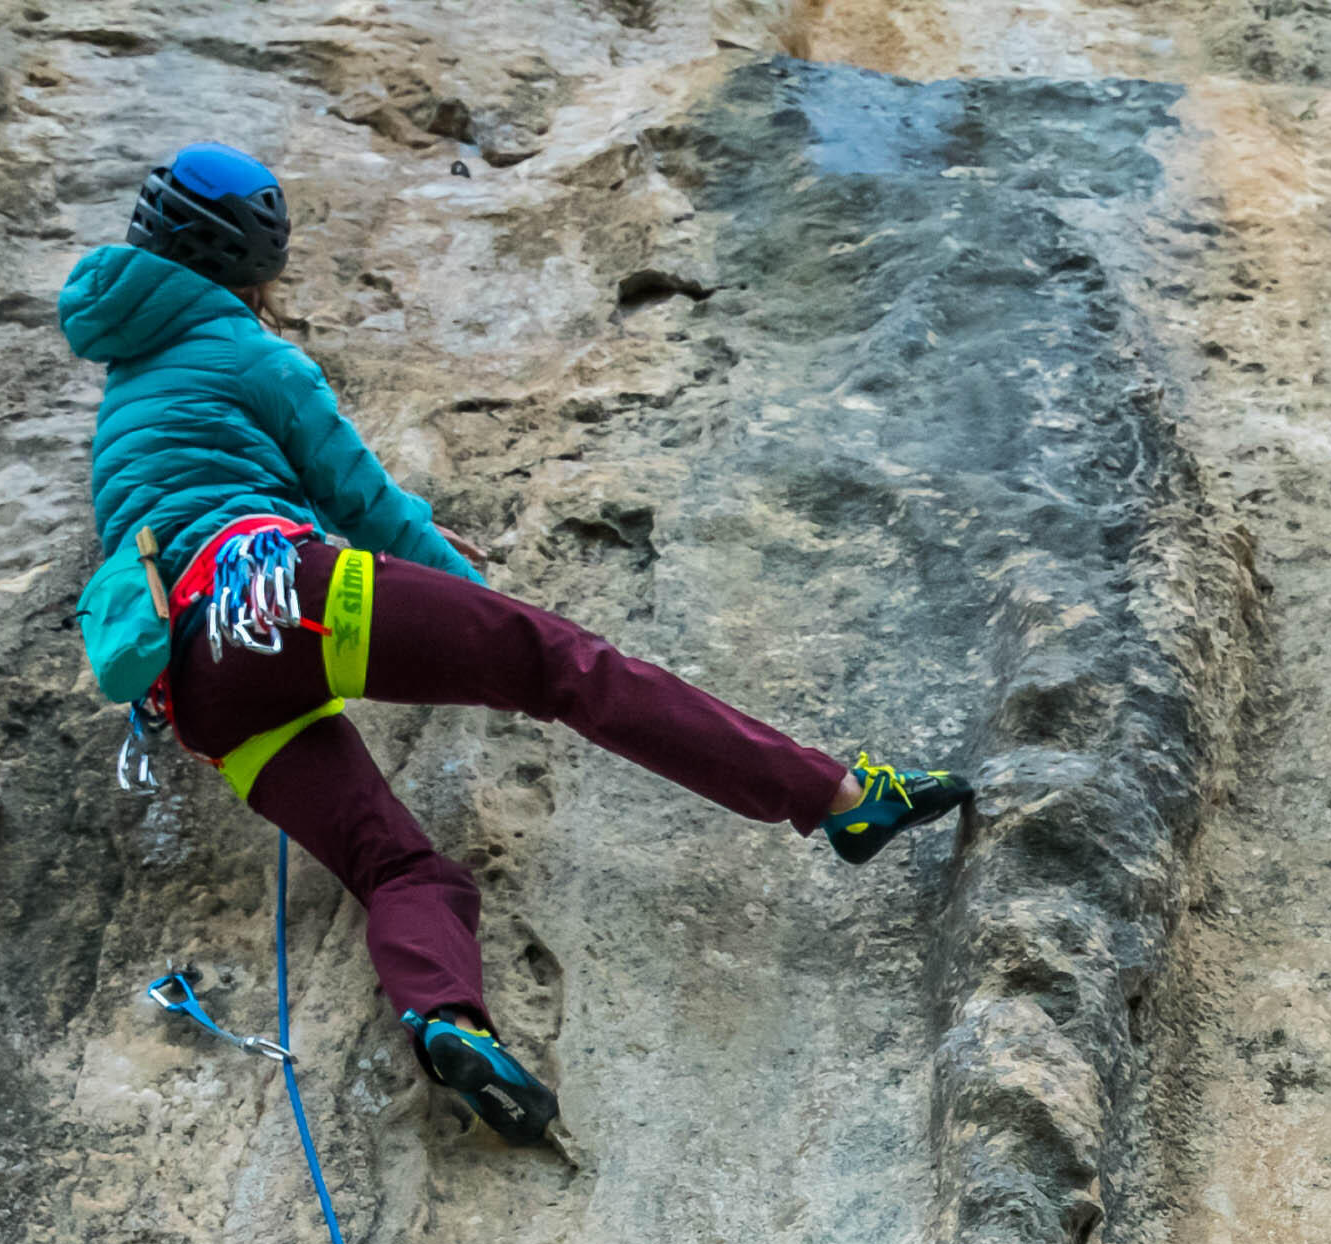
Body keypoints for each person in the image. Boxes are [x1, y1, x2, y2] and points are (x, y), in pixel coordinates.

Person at [60, 142, 969, 1148]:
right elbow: (362, 497)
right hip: (280, 597)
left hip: (200, 698)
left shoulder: (118, 405)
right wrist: (472, 605)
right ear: (254, 259)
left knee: (399, 870)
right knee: (565, 667)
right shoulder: (250, 354)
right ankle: (840, 798)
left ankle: (450, 1024)